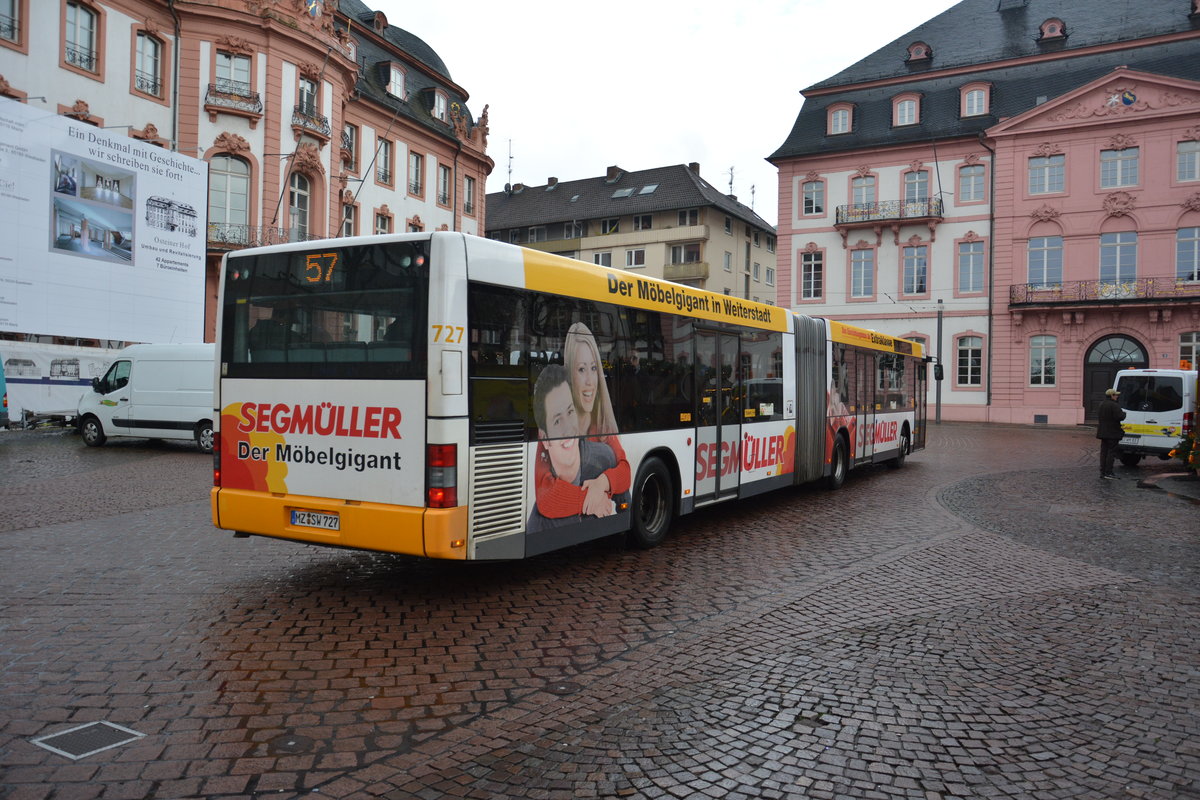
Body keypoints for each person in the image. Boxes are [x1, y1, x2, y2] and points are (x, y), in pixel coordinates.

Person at [534, 321, 631, 520]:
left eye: (593, 368)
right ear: (569, 374)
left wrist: (602, 483)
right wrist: (591, 497)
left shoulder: (601, 423)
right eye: (581, 369)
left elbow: (625, 472)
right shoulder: (554, 425)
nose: (590, 380)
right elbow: (546, 497)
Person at [527, 364, 618, 532]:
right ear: (545, 439)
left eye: (570, 412)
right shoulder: (538, 526)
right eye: (557, 421)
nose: (568, 428)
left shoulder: (606, 458)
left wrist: (604, 484)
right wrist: (592, 499)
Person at [1096, 387, 1126, 479]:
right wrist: (1124, 413)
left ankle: (1103, 472)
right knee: (1111, 453)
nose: (1117, 396)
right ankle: (1108, 472)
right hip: (1112, 433)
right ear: (1112, 395)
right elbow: (1120, 416)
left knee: (1104, 452)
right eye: (1116, 395)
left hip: (1103, 432)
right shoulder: (1114, 405)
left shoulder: (1102, 404)